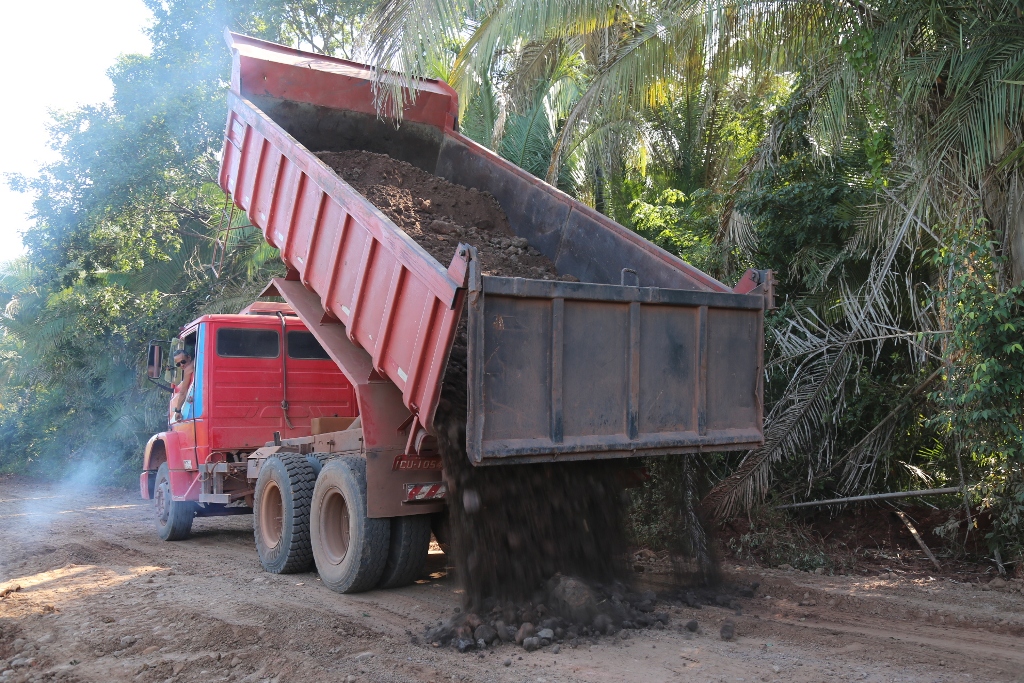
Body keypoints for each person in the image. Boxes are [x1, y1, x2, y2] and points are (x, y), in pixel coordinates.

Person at [170, 349, 195, 422]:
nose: (181, 365)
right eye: (178, 364)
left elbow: (183, 392)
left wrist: (178, 411)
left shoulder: (188, 369)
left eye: (183, 361)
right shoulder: (196, 362)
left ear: (189, 357)